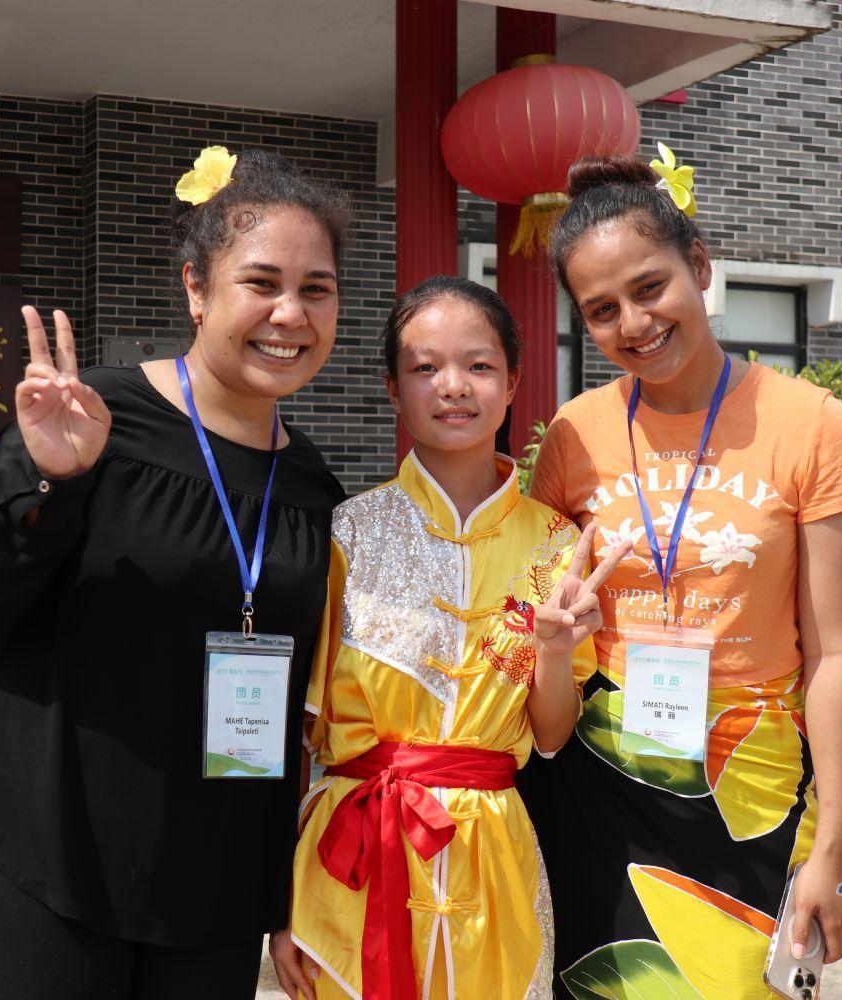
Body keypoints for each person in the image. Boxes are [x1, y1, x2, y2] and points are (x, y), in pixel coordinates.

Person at [0, 146, 350, 999]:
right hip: (35, 850)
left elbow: (301, 714)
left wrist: (287, 890)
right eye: (260, 283)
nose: (289, 314)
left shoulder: (313, 491)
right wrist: (54, 483)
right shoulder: (91, 420)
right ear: (197, 288)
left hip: (210, 890)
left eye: (316, 289)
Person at [518, 154, 842, 998]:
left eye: (650, 288)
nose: (633, 323)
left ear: (699, 264)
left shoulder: (812, 427)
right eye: (602, 309)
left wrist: (835, 845)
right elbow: (550, 626)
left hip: (751, 785)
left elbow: (839, 655)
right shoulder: (575, 437)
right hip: (599, 787)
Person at [269, 276, 630, 1000]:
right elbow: (295, 737)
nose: (453, 387)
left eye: (479, 365)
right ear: (393, 391)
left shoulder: (558, 546)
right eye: (425, 368)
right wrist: (275, 907)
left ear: (513, 382)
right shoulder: (347, 532)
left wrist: (556, 652)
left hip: (492, 854)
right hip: (352, 861)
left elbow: (553, 739)